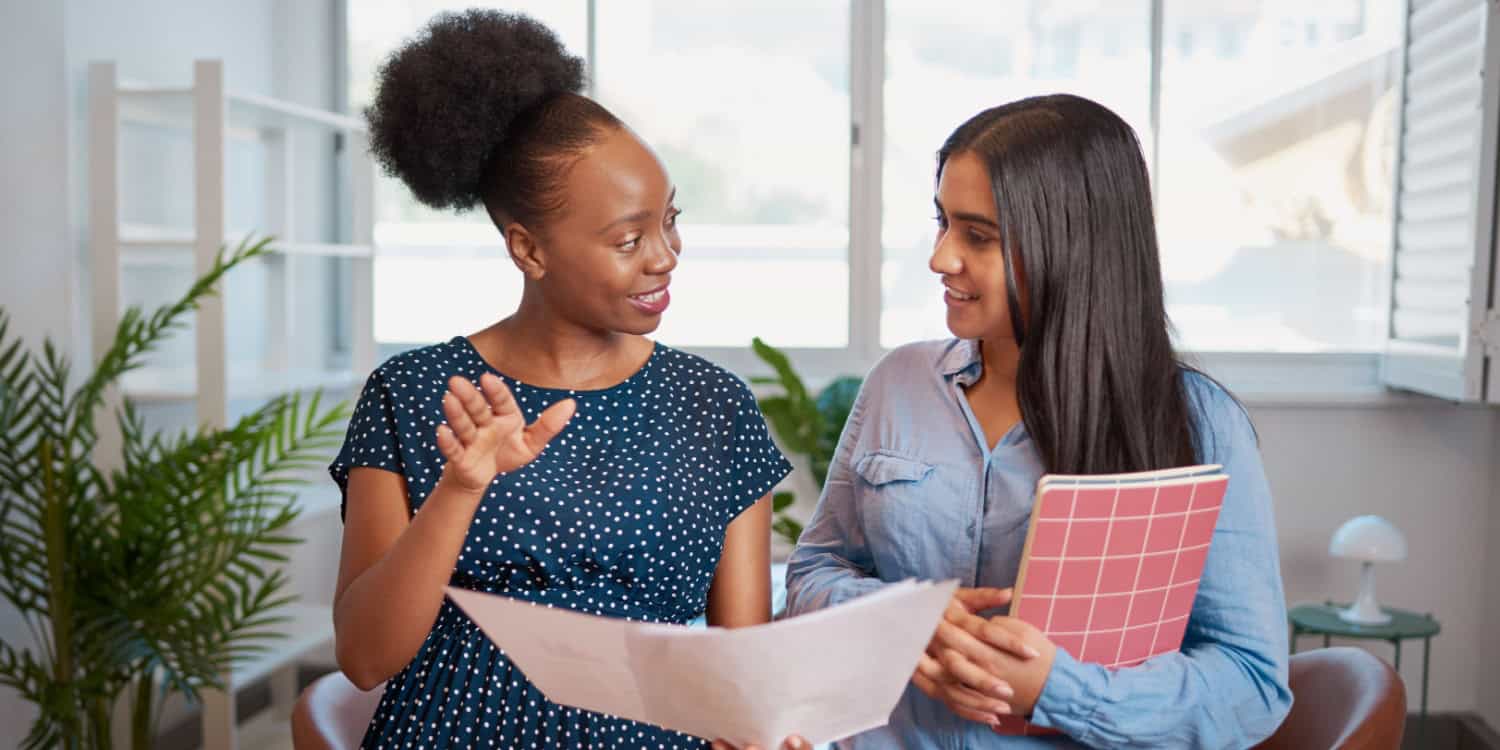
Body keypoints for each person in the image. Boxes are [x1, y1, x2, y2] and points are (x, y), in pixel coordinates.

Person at [323, 10, 799, 748]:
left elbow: (740, 676)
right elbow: (363, 657)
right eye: (628, 238)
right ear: (528, 248)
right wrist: (461, 487)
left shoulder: (716, 407)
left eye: (670, 222)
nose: (666, 255)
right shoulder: (416, 393)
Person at [783, 94, 1293, 748]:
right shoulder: (897, 385)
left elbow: (1251, 687)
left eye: (978, 235)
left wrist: (1055, 689)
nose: (940, 257)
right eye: (941, 222)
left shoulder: (1196, 424)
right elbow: (813, 576)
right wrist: (900, 619)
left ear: (1071, 242)